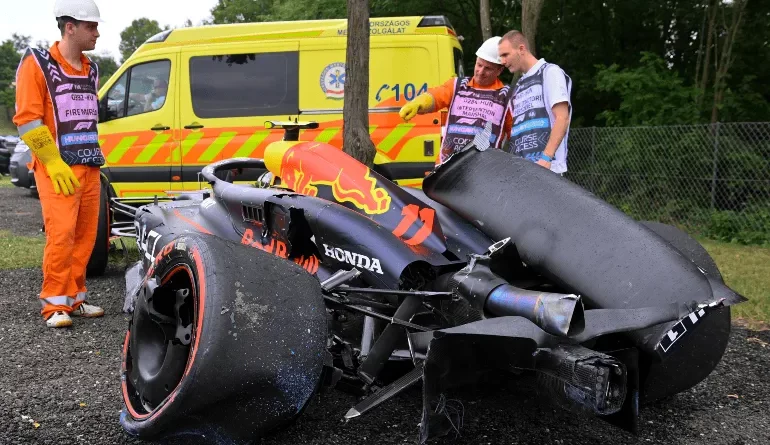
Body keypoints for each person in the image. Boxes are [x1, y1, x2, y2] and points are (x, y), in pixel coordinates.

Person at [13, 0, 106, 328]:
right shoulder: (37, 64)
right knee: (62, 235)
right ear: (70, 27)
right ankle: (54, 305)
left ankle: (75, 298)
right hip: (57, 168)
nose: (97, 33)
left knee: (84, 237)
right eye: (91, 27)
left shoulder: (91, 69)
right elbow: (27, 119)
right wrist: (52, 162)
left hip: (89, 165)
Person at [399, 37, 513, 164]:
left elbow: (517, 134)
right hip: (447, 167)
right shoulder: (457, 86)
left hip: (483, 170)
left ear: (499, 70)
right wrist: (418, 103)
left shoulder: (506, 96)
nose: (480, 72)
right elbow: (437, 95)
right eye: (479, 65)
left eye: (488, 68)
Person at [498, 30, 572, 175]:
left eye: (505, 55)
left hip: (547, 170)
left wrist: (546, 158)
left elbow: (562, 118)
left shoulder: (550, 72)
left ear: (521, 49)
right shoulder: (519, 85)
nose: (502, 61)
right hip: (524, 172)